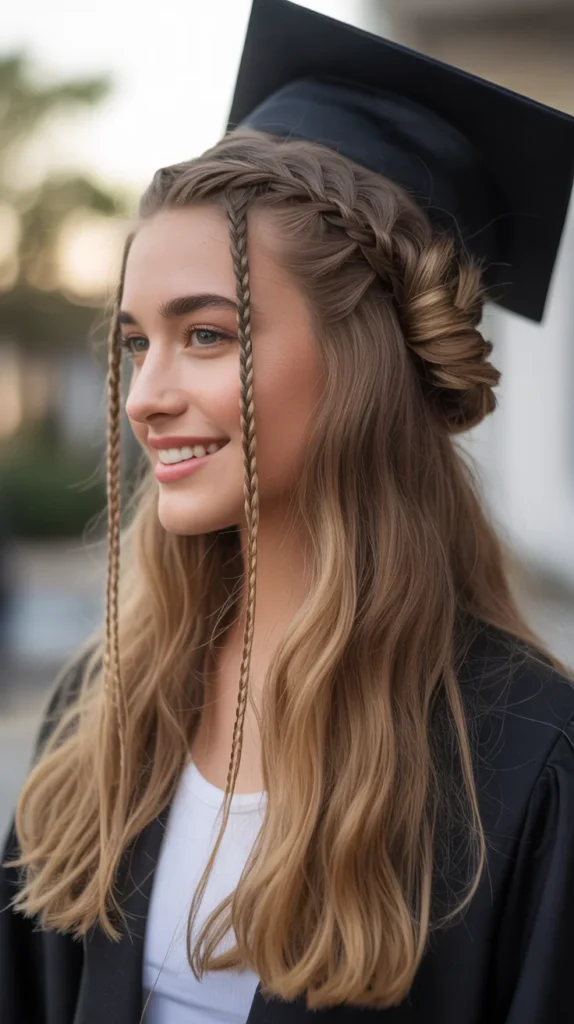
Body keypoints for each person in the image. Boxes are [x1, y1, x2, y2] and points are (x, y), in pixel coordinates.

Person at [2, 1, 574, 1022]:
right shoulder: (108, 701)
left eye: (208, 336)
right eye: (136, 342)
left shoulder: (529, 763)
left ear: (370, 361)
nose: (144, 395)